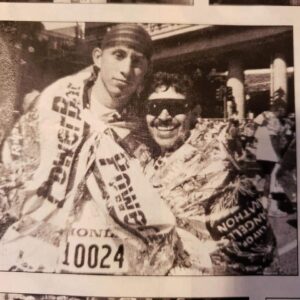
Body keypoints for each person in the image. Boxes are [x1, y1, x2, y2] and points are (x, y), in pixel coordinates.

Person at [0, 24, 178, 275]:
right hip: (40, 256)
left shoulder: (146, 129)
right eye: (118, 55)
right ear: (97, 57)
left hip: (116, 264)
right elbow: (10, 175)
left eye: (137, 61)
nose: (126, 70)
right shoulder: (54, 107)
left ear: (146, 69)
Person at [143, 71, 278, 275]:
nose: (163, 116)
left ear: (194, 113)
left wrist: (263, 191)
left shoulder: (218, 139)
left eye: (175, 107)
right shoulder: (142, 159)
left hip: (233, 281)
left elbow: (268, 129)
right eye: (154, 107)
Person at [254, 98, 287, 217]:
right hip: (271, 155)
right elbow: (273, 139)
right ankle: (273, 208)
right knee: (274, 181)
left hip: (261, 154)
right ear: (280, 109)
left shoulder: (264, 117)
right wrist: (278, 156)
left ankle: (263, 205)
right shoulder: (274, 120)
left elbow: (255, 131)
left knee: (268, 178)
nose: (285, 113)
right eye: (284, 110)